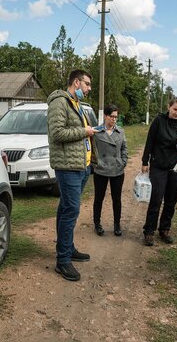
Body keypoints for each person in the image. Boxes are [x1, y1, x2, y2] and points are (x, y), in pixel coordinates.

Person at [47, 69, 97, 281]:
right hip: (67, 167)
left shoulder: (76, 104)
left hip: (81, 166)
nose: (89, 89)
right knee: (71, 211)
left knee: (65, 208)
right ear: (76, 82)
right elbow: (56, 133)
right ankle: (63, 261)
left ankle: (67, 248)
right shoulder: (60, 102)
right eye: (87, 84)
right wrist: (84, 132)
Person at [141, 97, 177, 246]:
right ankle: (149, 231)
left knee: (171, 200)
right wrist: (145, 161)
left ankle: (165, 229)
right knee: (156, 199)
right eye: (174, 109)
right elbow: (150, 141)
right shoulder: (159, 121)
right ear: (169, 107)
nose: (176, 113)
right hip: (158, 166)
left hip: (176, 168)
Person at [91, 104, 128, 237]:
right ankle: (97, 224)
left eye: (116, 117)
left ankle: (117, 225)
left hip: (117, 170)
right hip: (101, 170)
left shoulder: (121, 131)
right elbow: (91, 149)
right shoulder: (96, 131)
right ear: (105, 116)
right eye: (111, 116)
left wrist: (123, 162)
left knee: (116, 198)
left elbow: (124, 148)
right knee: (99, 198)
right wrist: (95, 164)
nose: (114, 119)